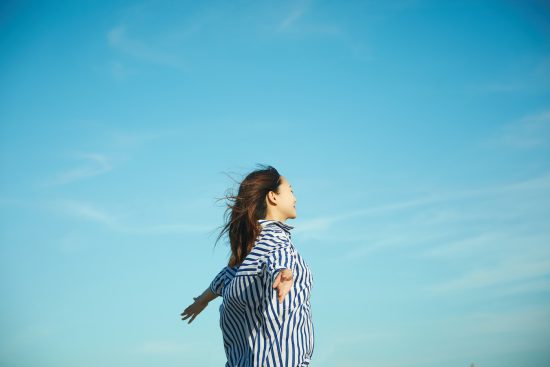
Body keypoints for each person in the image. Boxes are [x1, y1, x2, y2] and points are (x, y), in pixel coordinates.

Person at [180, 164, 315, 366]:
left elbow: (227, 277)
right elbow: (279, 258)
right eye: (291, 191)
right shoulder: (277, 241)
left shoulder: (251, 250)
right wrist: (284, 273)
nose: (295, 198)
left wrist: (202, 300)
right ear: (273, 197)